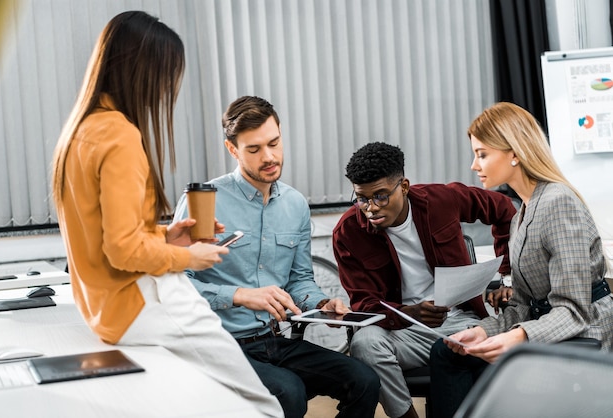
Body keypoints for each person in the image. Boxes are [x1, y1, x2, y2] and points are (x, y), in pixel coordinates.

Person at [51, 12, 282, 417]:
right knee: (262, 406)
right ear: (144, 70)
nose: (167, 91)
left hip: (103, 311)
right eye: (168, 77)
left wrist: (166, 237)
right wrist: (189, 257)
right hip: (141, 300)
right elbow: (123, 251)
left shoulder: (80, 130)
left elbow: (106, 234)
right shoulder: (121, 135)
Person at [173, 96, 381, 418]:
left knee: (364, 380)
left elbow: (300, 280)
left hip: (273, 340)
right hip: (219, 345)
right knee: (289, 391)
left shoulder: (295, 204)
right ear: (233, 150)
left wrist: (321, 304)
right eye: (254, 149)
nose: (269, 157)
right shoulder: (204, 202)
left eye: (274, 143)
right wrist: (239, 296)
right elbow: (176, 284)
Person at [429, 102, 613, 418]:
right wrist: (486, 330)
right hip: (547, 328)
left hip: (583, 336)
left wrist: (519, 336)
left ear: (514, 152)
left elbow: (575, 310)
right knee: (446, 353)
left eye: (482, 153)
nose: (474, 165)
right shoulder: (521, 214)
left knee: (505, 392)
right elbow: (523, 305)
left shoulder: (558, 203)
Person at [332, 141, 516, 418]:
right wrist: (408, 314)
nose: (370, 208)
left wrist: (507, 276)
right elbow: (365, 305)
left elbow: (504, 209)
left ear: (403, 186)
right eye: (361, 198)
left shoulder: (441, 200)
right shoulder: (348, 232)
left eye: (381, 196)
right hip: (400, 332)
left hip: (460, 321)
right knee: (364, 343)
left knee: (488, 354)